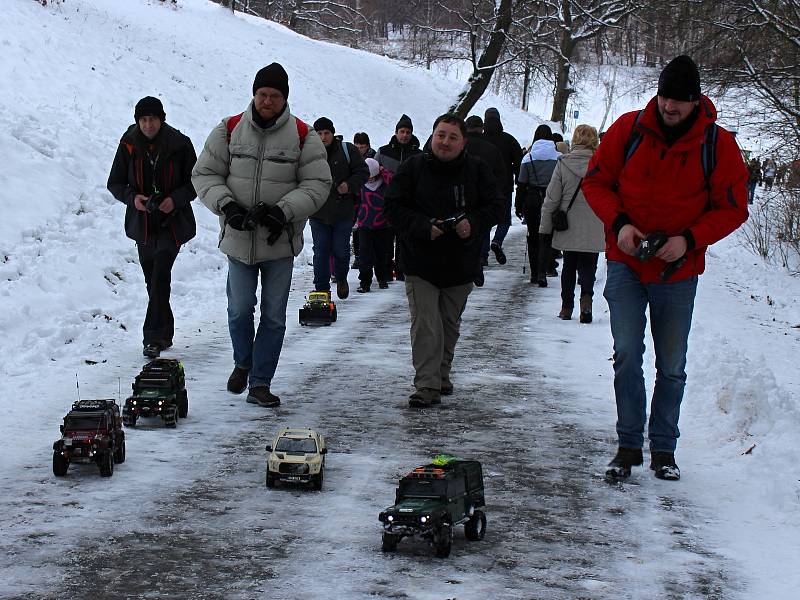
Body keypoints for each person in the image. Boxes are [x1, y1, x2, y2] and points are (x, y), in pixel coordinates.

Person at [582, 55, 748, 481]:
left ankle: (664, 448)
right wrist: (619, 224)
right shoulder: (629, 128)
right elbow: (596, 182)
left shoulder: (717, 144)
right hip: (626, 262)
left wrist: (688, 240)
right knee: (626, 354)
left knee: (671, 364)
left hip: (677, 269)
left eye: (678, 101)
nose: (669, 107)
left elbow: (733, 208)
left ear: (696, 102)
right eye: (664, 97)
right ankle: (628, 445)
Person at [192, 63, 331, 407]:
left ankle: (260, 383)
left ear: (284, 99)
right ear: (254, 94)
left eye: (274, 95)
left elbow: (317, 183)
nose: (267, 100)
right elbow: (205, 174)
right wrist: (228, 207)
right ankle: (243, 360)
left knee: (273, 316)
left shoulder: (303, 136)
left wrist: (283, 210)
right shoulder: (228, 130)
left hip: (279, 243)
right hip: (239, 241)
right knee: (239, 310)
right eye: (262, 94)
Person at [384, 114, 504, 408]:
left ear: (463, 142)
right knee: (426, 324)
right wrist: (424, 226)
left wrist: (473, 223)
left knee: (448, 324)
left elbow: (498, 206)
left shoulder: (477, 170)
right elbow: (393, 207)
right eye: (441, 135)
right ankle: (426, 384)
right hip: (419, 260)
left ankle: (441, 374)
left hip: (461, 262)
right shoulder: (413, 167)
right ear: (432, 136)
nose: (445, 142)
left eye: (452, 137)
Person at [107, 96, 197, 359]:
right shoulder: (128, 144)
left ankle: (153, 338)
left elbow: (196, 182)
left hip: (172, 223)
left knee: (159, 276)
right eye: (143, 119)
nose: (148, 125)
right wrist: (133, 198)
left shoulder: (180, 144)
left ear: (162, 119)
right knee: (153, 281)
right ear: (137, 121)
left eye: (153, 119)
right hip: (143, 224)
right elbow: (115, 183)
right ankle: (165, 330)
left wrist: (174, 200)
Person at [539, 125, 604, 323]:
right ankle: (586, 302)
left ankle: (566, 307)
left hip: (568, 222)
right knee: (589, 265)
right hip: (594, 221)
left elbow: (552, 198)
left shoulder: (563, 163)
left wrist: (544, 227)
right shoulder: (602, 164)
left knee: (569, 265)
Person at [310, 117, 369, 299]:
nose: (323, 137)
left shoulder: (347, 150)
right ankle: (321, 289)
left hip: (343, 211)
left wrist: (349, 185)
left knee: (340, 250)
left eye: (326, 133)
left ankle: (341, 278)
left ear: (333, 133)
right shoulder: (309, 152)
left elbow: (363, 172)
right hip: (318, 212)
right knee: (320, 252)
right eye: (319, 133)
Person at [377, 114, 422, 282]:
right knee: (386, 240)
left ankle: (403, 270)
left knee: (405, 239)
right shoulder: (383, 152)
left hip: (409, 204)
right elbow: (373, 174)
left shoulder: (418, 154)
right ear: (396, 132)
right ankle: (387, 271)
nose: (404, 135)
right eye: (402, 131)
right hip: (387, 202)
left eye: (408, 132)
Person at [515, 124, 561, 286]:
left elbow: (521, 184)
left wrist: (518, 206)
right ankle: (544, 271)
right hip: (552, 199)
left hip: (532, 200)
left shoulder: (528, 158)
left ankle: (534, 273)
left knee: (533, 237)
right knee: (547, 237)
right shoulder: (558, 158)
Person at [465, 115, 506, 287]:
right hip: (483, 197)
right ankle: (479, 261)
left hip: (461, 195)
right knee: (481, 230)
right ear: (481, 128)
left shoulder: (460, 146)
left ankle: (466, 266)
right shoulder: (491, 149)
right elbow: (501, 175)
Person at [482, 107, 523, 266]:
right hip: (504, 186)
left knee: (484, 221)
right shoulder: (508, 139)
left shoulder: (481, 139)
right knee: (504, 219)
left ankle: (483, 255)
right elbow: (519, 161)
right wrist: (515, 176)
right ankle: (497, 241)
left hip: (483, 187)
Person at [356, 158, 393, 292]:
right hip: (364, 224)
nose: (370, 180)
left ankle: (382, 278)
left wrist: (383, 172)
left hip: (382, 225)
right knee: (365, 254)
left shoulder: (386, 184)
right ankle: (365, 282)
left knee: (381, 253)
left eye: (373, 177)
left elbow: (395, 185)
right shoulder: (360, 184)